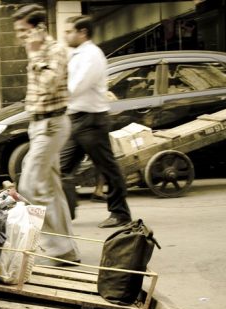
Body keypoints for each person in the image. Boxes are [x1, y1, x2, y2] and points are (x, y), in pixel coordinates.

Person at [12, 4, 81, 266]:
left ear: (39, 28)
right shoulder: (40, 51)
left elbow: (50, 83)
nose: (19, 36)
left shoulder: (54, 51)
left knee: (30, 186)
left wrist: (35, 55)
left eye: (23, 30)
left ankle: (60, 249)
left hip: (52, 126)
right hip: (39, 125)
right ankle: (67, 251)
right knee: (51, 189)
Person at [60, 15, 132, 228]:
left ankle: (121, 214)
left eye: (68, 31)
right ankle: (65, 213)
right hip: (76, 119)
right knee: (61, 168)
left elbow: (76, 87)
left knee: (108, 168)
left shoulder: (91, 55)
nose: (65, 35)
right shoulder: (77, 54)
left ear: (82, 33)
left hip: (91, 121)